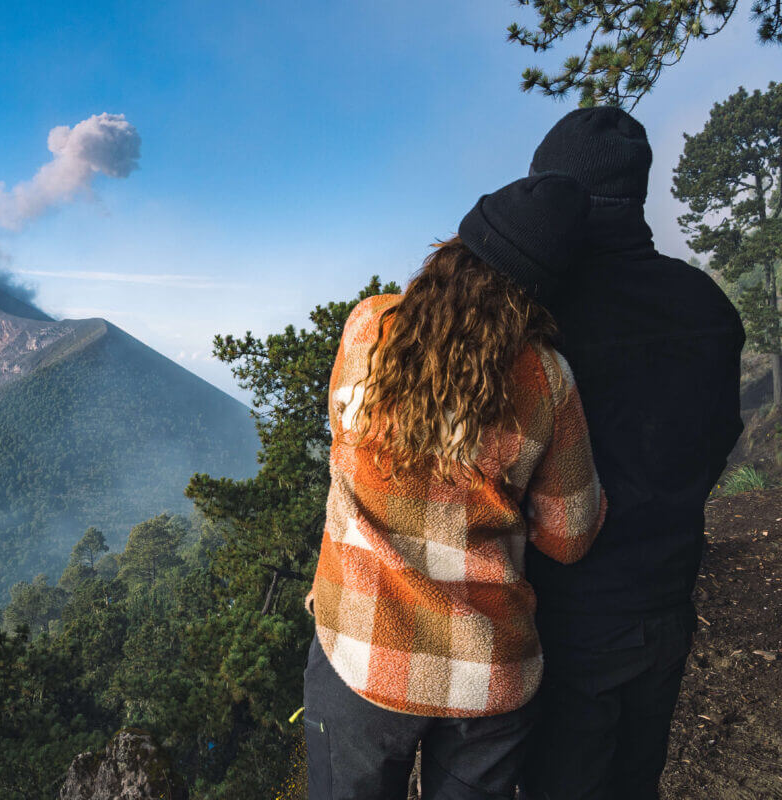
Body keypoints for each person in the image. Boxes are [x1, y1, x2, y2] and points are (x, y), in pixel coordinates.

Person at [302, 172, 608, 800]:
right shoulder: (546, 377)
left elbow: (340, 434)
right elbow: (569, 537)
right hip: (486, 672)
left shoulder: (370, 327)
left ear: (454, 248)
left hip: (361, 649)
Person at [520, 108, 746, 800]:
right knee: (635, 781)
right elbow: (718, 442)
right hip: (667, 602)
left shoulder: (546, 315)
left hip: (569, 625)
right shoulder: (709, 308)